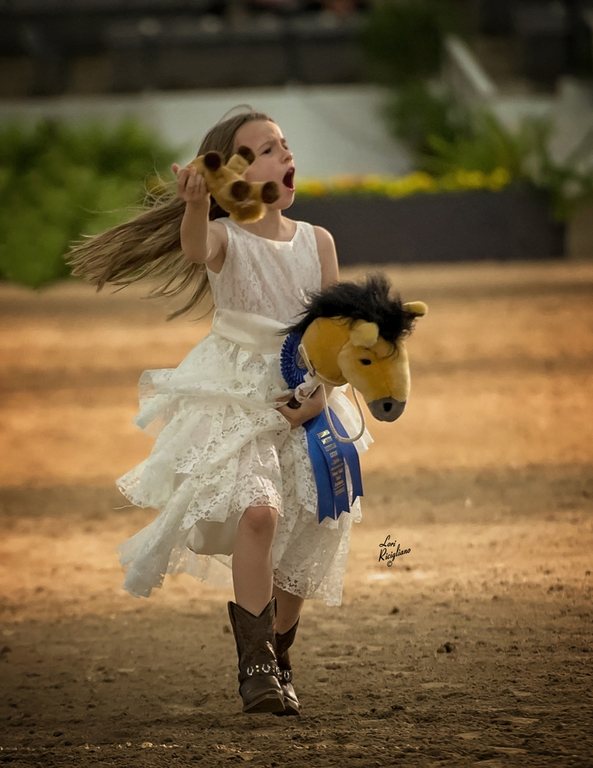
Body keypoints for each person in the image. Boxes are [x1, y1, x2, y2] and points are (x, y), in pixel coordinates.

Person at [68, 107, 370, 716]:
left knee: (304, 528)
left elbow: (334, 332)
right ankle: (255, 667)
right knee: (259, 514)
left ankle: (281, 650)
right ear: (235, 173)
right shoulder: (226, 237)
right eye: (263, 150)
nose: (283, 155)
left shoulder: (319, 242)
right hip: (238, 394)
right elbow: (195, 246)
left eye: (283, 144)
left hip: (306, 393)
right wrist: (195, 205)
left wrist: (320, 394)